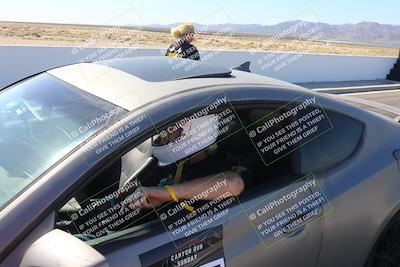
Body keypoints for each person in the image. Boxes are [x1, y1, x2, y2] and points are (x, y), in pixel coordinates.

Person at [123, 114, 245, 210]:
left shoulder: (212, 168)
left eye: (171, 128)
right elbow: (141, 186)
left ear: (191, 131)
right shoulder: (172, 161)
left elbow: (235, 183)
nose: (163, 133)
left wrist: (166, 193)